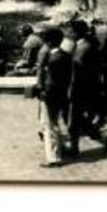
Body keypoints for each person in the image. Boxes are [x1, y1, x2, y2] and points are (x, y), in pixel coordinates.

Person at [33, 26, 72, 168]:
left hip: (51, 94)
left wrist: (42, 91)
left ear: (48, 42)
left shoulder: (52, 59)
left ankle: (54, 158)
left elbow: (50, 80)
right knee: (53, 122)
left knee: (50, 125)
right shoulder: (66, 56)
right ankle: (62, 148)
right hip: (62, 93)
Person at [67, 19, 105, 155]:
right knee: (87, 114)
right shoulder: (90, 43)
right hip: (91, 85)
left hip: (80, 87)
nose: (69, 33)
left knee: (74, 118)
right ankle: (93, 132)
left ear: (77, 32)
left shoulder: (82, 48)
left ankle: (74, 146)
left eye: (71, 31)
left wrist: (71, 87)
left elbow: (76, 69)